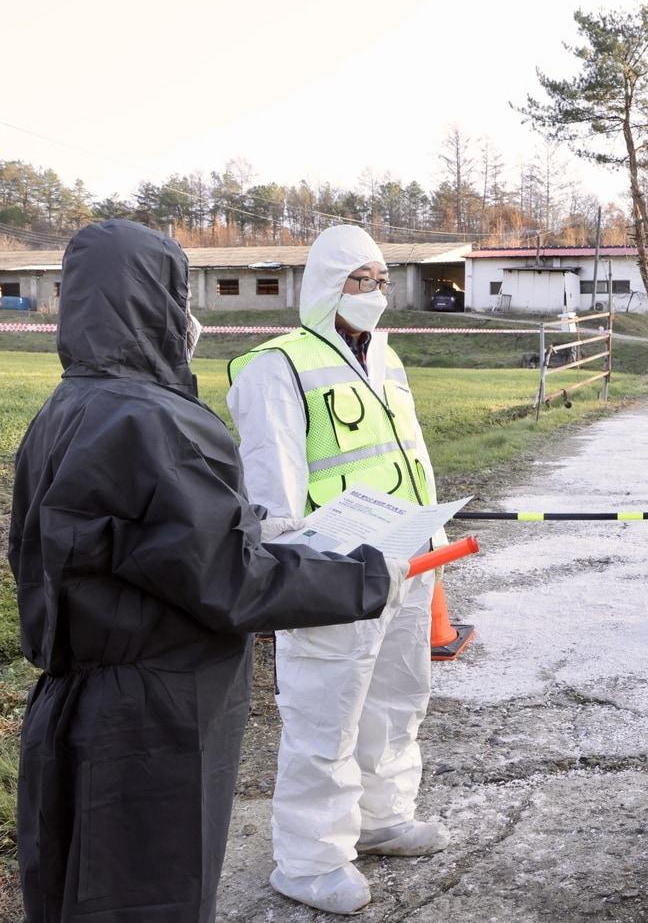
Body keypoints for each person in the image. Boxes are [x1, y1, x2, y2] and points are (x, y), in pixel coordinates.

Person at [8, 219, 409, 923]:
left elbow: (145, 544)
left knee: (79, 879)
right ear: (152, 303)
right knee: (152, 886)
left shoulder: (65, 410)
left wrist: (246, 528)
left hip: (79, 690)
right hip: (156, 707)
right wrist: (365, 581)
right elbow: (227, 579)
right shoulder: (153, 420)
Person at [227, 225, 445, 915]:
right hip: (332, 569)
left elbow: (407, 453)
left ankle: (383, 817)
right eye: (362, 278)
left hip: (409, 557)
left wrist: (434, 533)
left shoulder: (387, 356)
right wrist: (292, 571)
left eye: (382, 279)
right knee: (326, 714)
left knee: (398, 698)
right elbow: (273, 485)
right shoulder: (277, 366)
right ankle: (310, 859)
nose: (377, 291)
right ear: (325, 283)